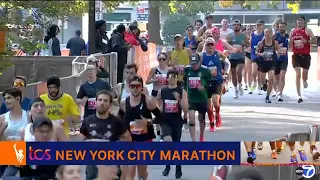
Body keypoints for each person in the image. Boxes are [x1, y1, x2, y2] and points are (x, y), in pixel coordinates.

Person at [80, 90, 132, 180]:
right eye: (99, 100)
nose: (102, 103)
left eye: (105, 101)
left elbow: (128, 139)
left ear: (110, 104)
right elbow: (81, 141)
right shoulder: (88, 120)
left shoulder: (116, 121)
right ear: (95, 102)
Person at [118, 76, 159, 180]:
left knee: (142, 170)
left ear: (141, 87)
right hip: (128, 139)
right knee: (129, 169)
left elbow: (161, 118)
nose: (135, 89)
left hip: (144, 138)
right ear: (129, 87)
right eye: (132, 86)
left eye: (137, 86)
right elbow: (119, 119)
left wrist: (148, 121)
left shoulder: (149, 101)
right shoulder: (124, 102)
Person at [157, 70, 188, 179]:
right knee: (168, 142)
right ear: (167, 78)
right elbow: (158, 103)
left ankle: (178, 166)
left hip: (176, 121)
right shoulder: (162, 91)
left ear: (177, 78)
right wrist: (159, 111)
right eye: (170, 77)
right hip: (165, 121)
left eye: (174, 76)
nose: (172, 78)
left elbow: (186, 109)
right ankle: (167, 166)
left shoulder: (182, 91)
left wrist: (179, 99)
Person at [201, 38, 230, 132]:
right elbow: (197, 67)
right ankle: (211, 123)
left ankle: (217, 114)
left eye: (211, 44)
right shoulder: (202, 56)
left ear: (214, 45)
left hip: (217, 80)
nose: (210, 46)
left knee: (215, 101)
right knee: (208, 106)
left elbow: (227, 63)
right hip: (206, 81)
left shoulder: (218, 54)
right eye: (208, 44)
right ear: (205, 46)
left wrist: (226, 73)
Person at [184, 54, 211, 141]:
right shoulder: (187, 69)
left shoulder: (205, 70)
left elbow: (210, 82)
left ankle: (201, 136)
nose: (194, 66)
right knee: (191, 118)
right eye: (192, 64)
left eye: (195, 64)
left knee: (201, 118)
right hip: (191, 98)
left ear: (200, 62)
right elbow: (183, 82)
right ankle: (193, 140)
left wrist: (203, 87)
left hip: (202, 97)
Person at [289, 15, 316, 103]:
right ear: (296, 22)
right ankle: (299, 94)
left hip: (306, 55)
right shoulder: (293, 31)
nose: (299, 22)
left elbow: (314, 40)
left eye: (301, 20)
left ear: (304, 22)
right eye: (298, 20)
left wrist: (307, 41)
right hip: (296, 55)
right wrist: (290, 42)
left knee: (304, 74)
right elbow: (289, 42)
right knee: (298, 73)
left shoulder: (307, 30)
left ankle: (304, 80)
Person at [146, 52, 171, 140]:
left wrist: (169, 81)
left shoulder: (169, 70)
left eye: (163, 59)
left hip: (165, 92)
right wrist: (154, 80)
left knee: (165, 112)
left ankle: (166, 130)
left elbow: (174, 81)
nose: (161, 61)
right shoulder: (154, 69)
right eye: (160, 59)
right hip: (156, 92)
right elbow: (146, 81)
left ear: (166, 60)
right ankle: (158, 132)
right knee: (157, 113)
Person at [255, 27, 280, 103]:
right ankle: (264, 84)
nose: (268, 34)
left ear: (272, 34)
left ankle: (267, 97)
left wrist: (278, 53)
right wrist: (261, 54)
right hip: (263, 63)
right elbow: (256, 52)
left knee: (271, 78)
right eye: (266, 32)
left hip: (271, 63)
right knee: (263, 81)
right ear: (264, 34)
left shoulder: (275, 43)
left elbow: (278, 50)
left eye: (269, 32)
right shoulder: (261, 43)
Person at [226, 19, 250, 98]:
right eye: (234, 25)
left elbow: (248, 45)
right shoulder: (230, 36)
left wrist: (244, 43)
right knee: (233, 74)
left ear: (240, 26)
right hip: (232, 57)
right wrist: (229, 44)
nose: (236, 26)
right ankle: (235, 89)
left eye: (237, 25)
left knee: (238, 72)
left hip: (241, 57)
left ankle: (240, 85)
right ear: (232, 26)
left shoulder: (243, 35)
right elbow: (226, 46)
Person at [274, 21, 289, 101]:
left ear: (285, 27)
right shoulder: (275, 35)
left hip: (284, 59)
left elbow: (290, 45)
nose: (281, 28)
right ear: (278, 27)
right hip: (276, 59)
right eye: (280, 27)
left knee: (282, 76)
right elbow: (269, 44)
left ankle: (280, 93)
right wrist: (276, 47)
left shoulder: (287, 36)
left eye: (283, 27)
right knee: (276, 78)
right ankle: (276, 90)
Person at [250, 19, 265, 95]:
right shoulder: (252, 34)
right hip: (254, 53)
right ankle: (254, 81)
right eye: (257, 25)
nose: (258, 26)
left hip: (262, 54)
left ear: (263, 26)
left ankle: (259, 87)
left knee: (260, 72)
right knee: (254, 71)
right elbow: (250, 43)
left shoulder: (264, 34)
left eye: (260, 25)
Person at [244, 25, 253, 91]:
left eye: (250, 29)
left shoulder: (254, 36)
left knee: (251, 71)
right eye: (248, 29)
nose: (249, 31)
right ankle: (245, 84)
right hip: (246, 54)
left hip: (253, 54)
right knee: (246, 70)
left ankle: (250, 84)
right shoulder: (244, 37)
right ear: (246, 30)